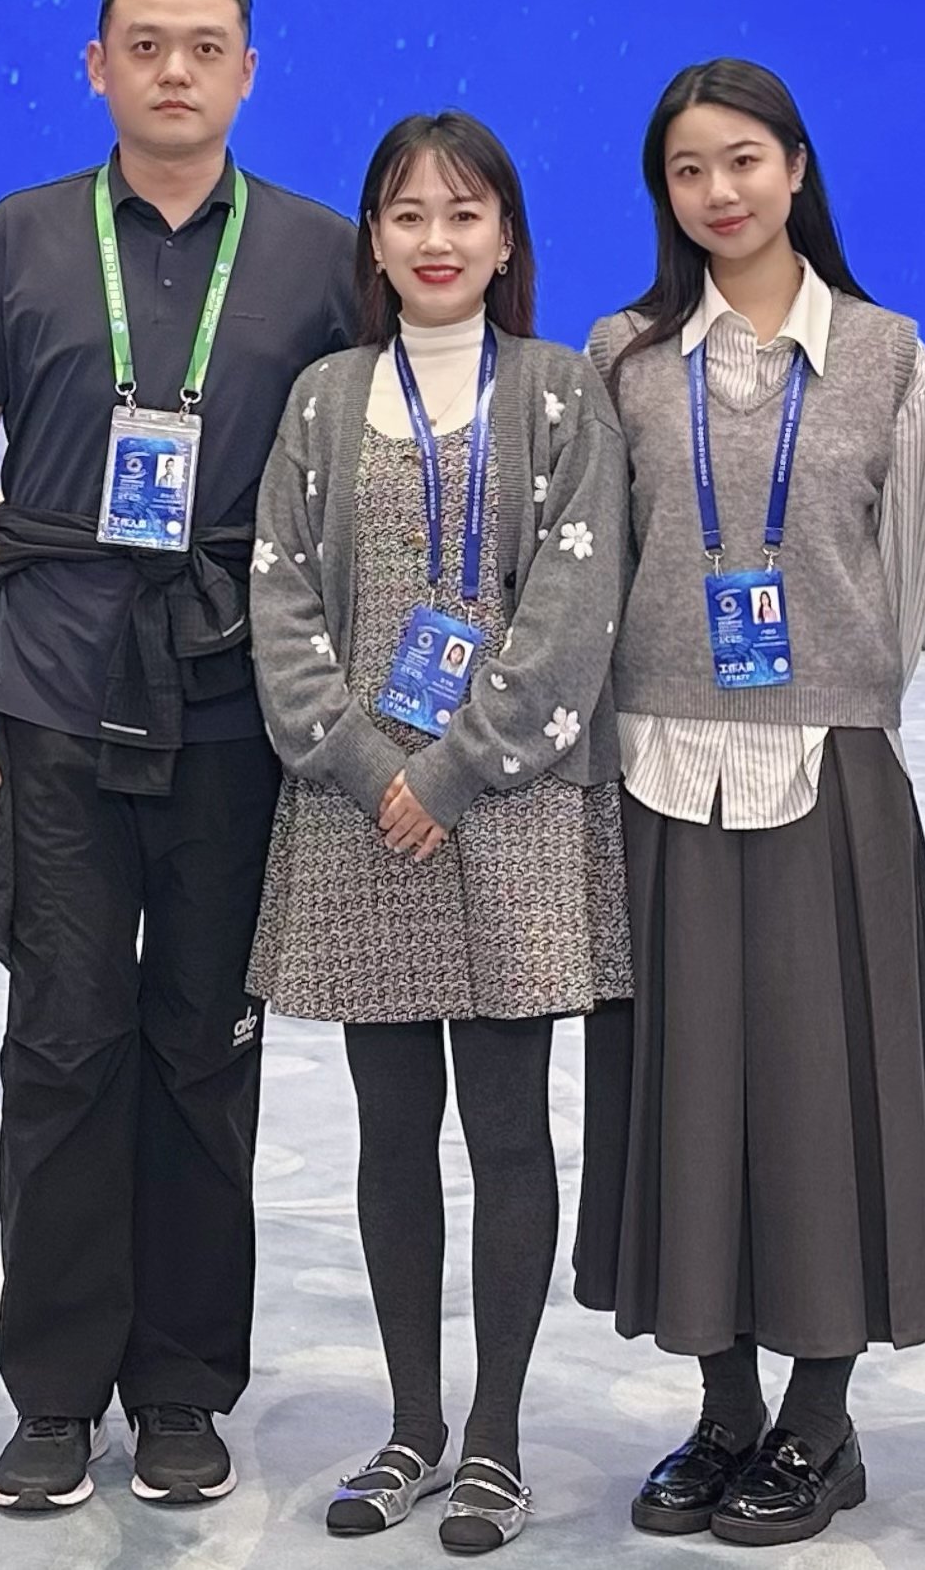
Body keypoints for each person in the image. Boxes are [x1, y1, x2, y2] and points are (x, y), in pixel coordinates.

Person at [0, 0, 358, 1512]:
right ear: (95, 65)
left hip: (235, 701)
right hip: (48, 689)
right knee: (61, 1044)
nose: (176, 70)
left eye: (206, 46)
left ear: (249, 71)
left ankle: (180, 1387)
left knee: (204, 1049)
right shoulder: (21, 235)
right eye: (147, 44)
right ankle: (52, 1393)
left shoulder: (321, 251)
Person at [576, 59, 925, 1550]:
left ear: (798, 169)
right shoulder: (621, 356)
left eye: (744, 160)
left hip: (827, 771)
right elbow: (601, 565)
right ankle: (724, 1410)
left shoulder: (889, 355)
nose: (719, 192)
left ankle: (821, 1418)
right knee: (687, 1097)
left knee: (825, 1097)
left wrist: (845, 702)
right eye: (687, 169)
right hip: (659, 772)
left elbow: (902, 586)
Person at [248, 111, 630, 1556]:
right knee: (391, 1131)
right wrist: (365, 763)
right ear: (375, 238)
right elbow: (280, 597)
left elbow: (575, 613)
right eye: (408, 213)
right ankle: (413, 1423)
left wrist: (456, 770)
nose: (436, 238)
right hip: (360, 816)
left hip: (513, 810)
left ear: (507, 237)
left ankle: (499, 1441)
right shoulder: (323, 398)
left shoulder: (561, 391)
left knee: (511, 1130)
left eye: (465, 213)